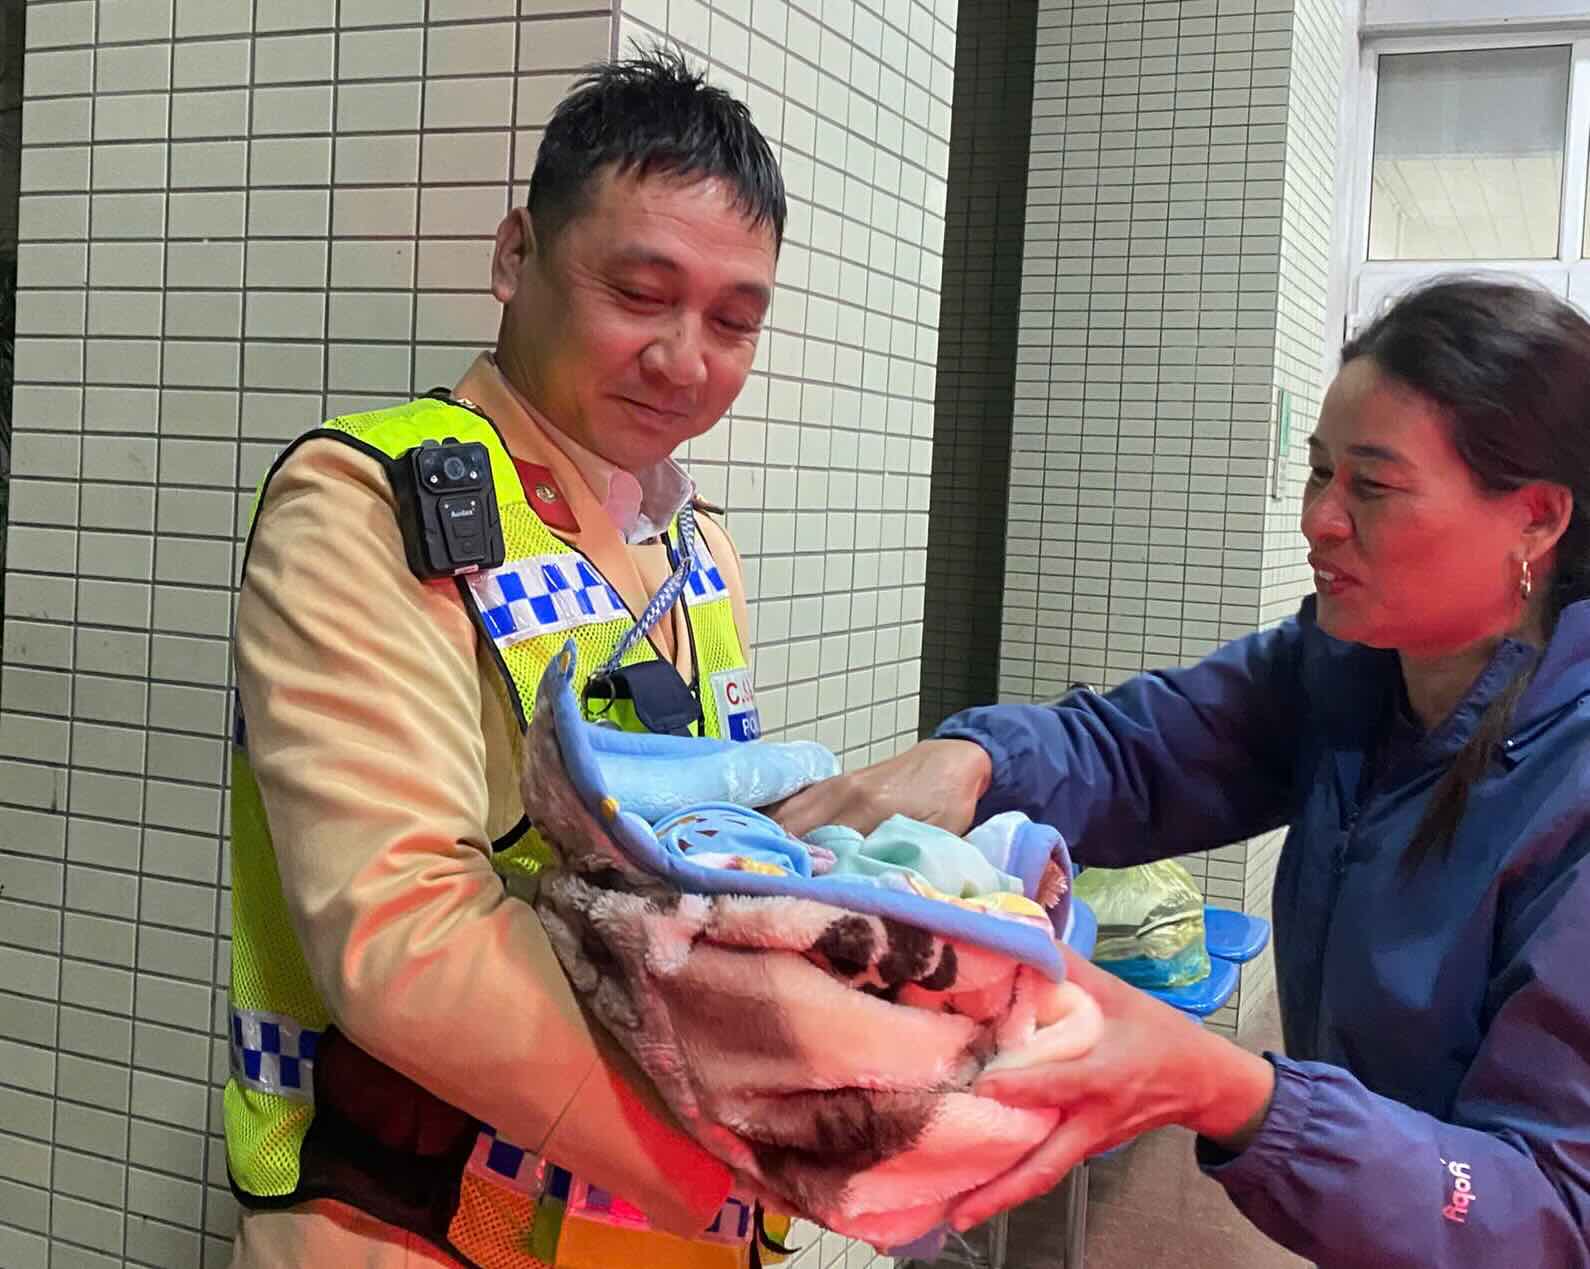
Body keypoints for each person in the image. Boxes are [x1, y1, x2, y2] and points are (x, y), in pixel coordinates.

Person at [774, 278, 1590, 1266]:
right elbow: (1144, 748)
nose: (1320, 521)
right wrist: (976, 759)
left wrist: (1230, 1089)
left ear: (1537, 522)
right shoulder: (1346, 670)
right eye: (1319, 473)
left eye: (1371, 487)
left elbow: (1547, 1213)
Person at [226, 49, 789, 1268]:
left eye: (735, 321)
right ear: (515, 255)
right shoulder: (369, 503)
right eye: (641, 294)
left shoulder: (701, 553)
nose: (688, 360)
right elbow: (402, 934)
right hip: (425, 1217)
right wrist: (728, 1161)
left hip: (664, 1233)